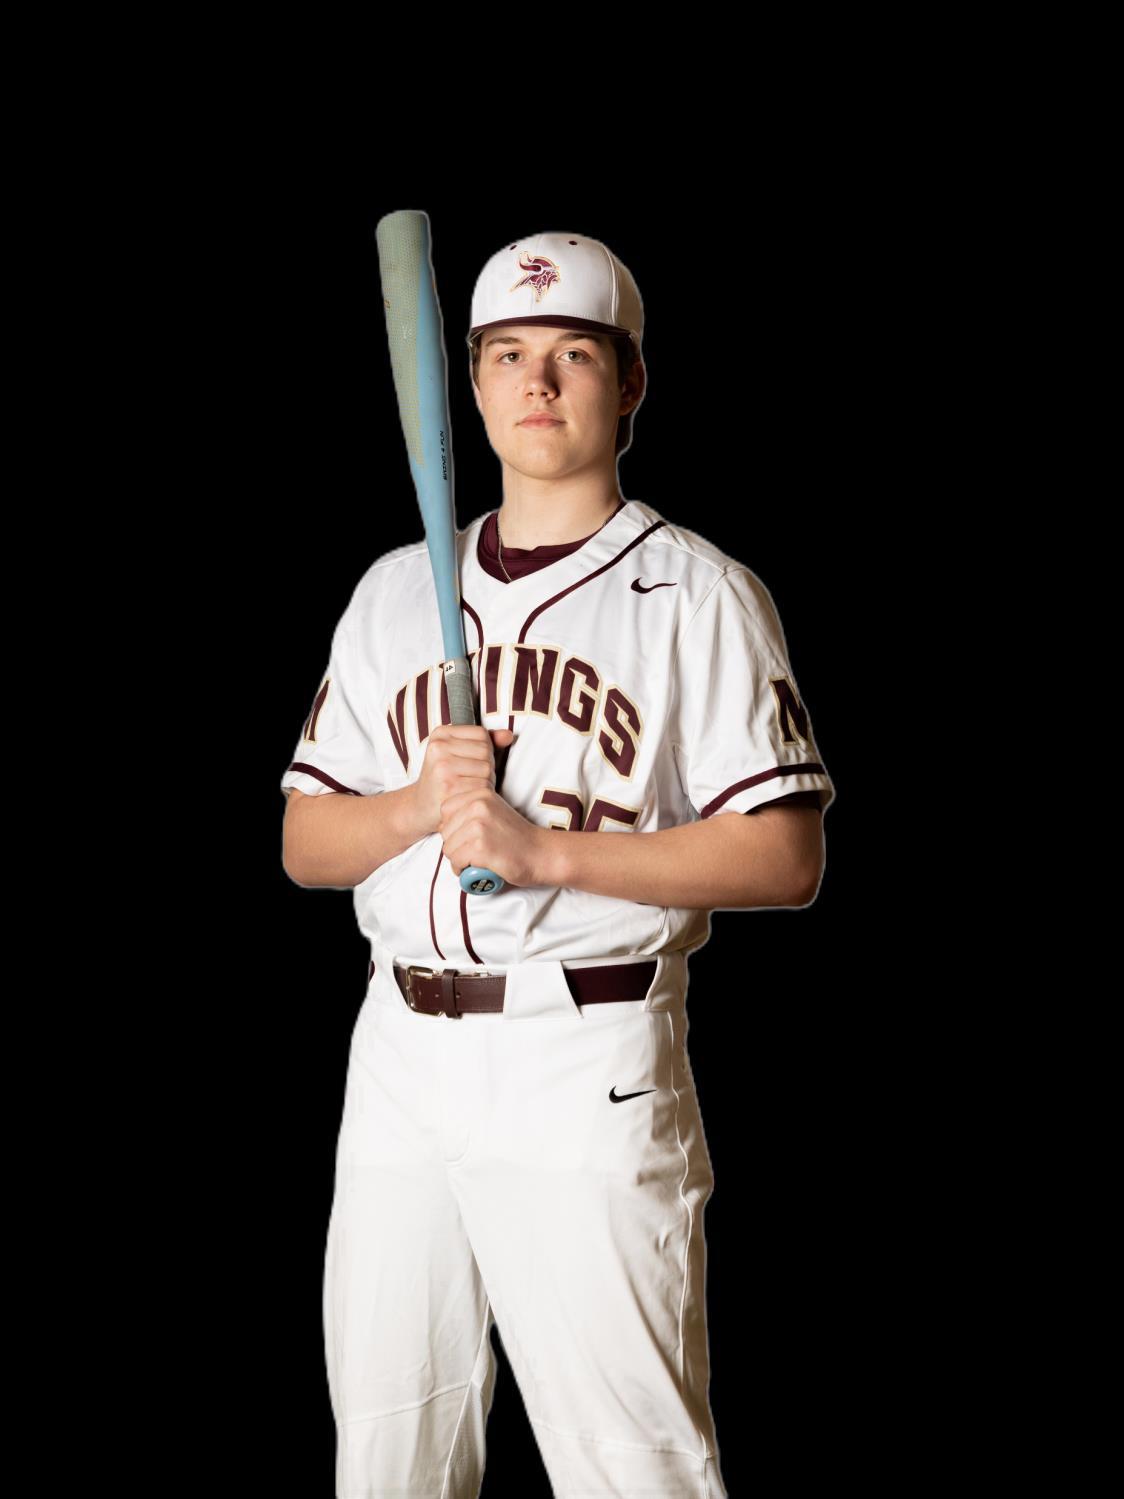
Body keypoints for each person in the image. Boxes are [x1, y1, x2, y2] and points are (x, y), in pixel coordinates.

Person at [280, 230, 835, 1498]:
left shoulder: (697, 591)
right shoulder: (388, 594)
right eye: (507, 355)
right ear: (470, 386)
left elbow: (784, 852)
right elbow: (306, 841)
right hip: (398, 1056)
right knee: (386, 1450)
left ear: (628, 384)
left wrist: (546, 851)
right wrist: (414, 806)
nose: (537, 381)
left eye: (573, 354)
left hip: (585, 1057)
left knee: (631, 1466)